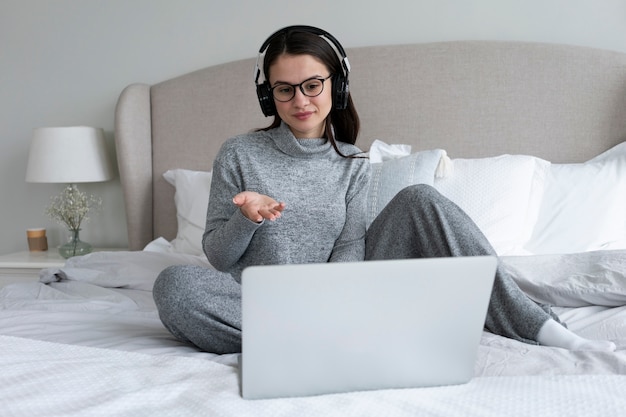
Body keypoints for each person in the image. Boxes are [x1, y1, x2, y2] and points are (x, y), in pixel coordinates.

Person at [153, 25, 616, 354]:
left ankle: (537, 326)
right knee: (174, 286)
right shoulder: (239, 154)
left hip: (343, 297)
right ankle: (335, 339)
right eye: (284, 89)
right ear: (267, 95)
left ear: (337, 85)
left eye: (313, 85)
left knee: (421, 199)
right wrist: (245, 218)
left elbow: (353, 244)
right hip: (262, 304)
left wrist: (331, 296)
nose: (300, 100)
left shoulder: (352, 162)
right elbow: (217, 256)